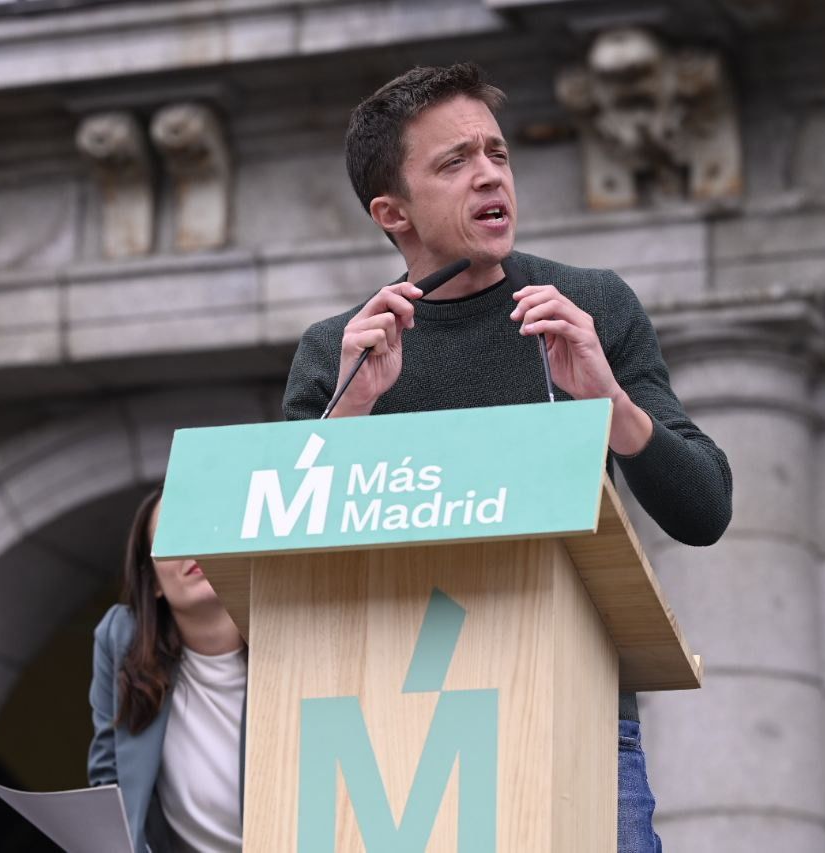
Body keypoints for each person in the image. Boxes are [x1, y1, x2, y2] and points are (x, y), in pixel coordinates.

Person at [283, 62, 733, 852]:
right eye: (455, 161)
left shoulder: (589, 307)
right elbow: (281, 553)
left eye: (496, 152)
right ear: (392, 211)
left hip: (577, 716)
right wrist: (350, 410)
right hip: (394, 736)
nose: (490, 174)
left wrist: (610, 403)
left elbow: (706, 509)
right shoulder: (341, 351)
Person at [88, 486, 246, 853]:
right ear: (155, 583)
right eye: (174, 535)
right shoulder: (121, 641)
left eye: (205, 528)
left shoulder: (293, 632)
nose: (192, 544)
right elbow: (109, 785)